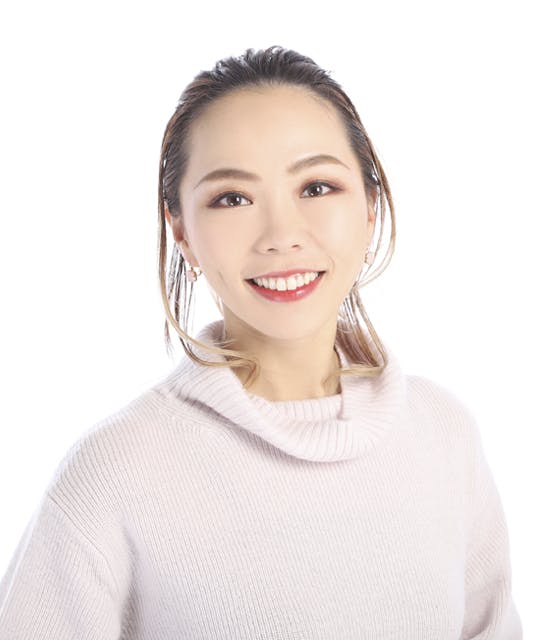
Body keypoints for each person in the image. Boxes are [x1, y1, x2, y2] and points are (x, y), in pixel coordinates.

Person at [0, 45, 522, 639]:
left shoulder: (444, 433)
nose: (282, 235)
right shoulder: (116, 473)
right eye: (232, 199)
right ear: (182, 232)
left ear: (370, 207)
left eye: (317, 187)